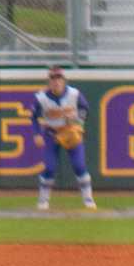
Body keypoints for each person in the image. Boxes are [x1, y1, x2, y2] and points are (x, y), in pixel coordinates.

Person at [31, 65, 95, 212]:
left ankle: (88, 199)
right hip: (51, 134)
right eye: (53, 78)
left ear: (64, 80)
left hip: (70, 131)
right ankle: (43, 200)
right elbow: (34, 117)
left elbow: (84, 109)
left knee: (79, 165)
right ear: (49, 81)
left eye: (59, 78)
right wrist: (36, 134)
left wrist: (77, 120)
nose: (56, 81)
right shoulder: (41, 98)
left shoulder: (74, 94)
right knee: (50, 167)